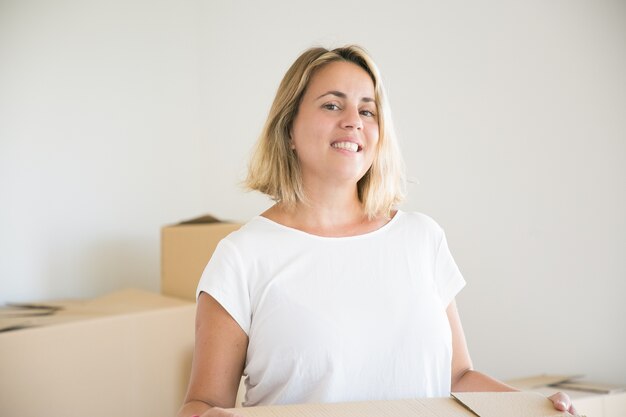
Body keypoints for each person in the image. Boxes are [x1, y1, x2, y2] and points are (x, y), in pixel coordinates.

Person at [177, 45, 578, 417]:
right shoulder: (243, 256)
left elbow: (457, 378)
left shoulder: (423, 239)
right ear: (289, 130)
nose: (353, 121)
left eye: (367, 111)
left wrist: (536, 406)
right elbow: (205, 402)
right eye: (332, 105)